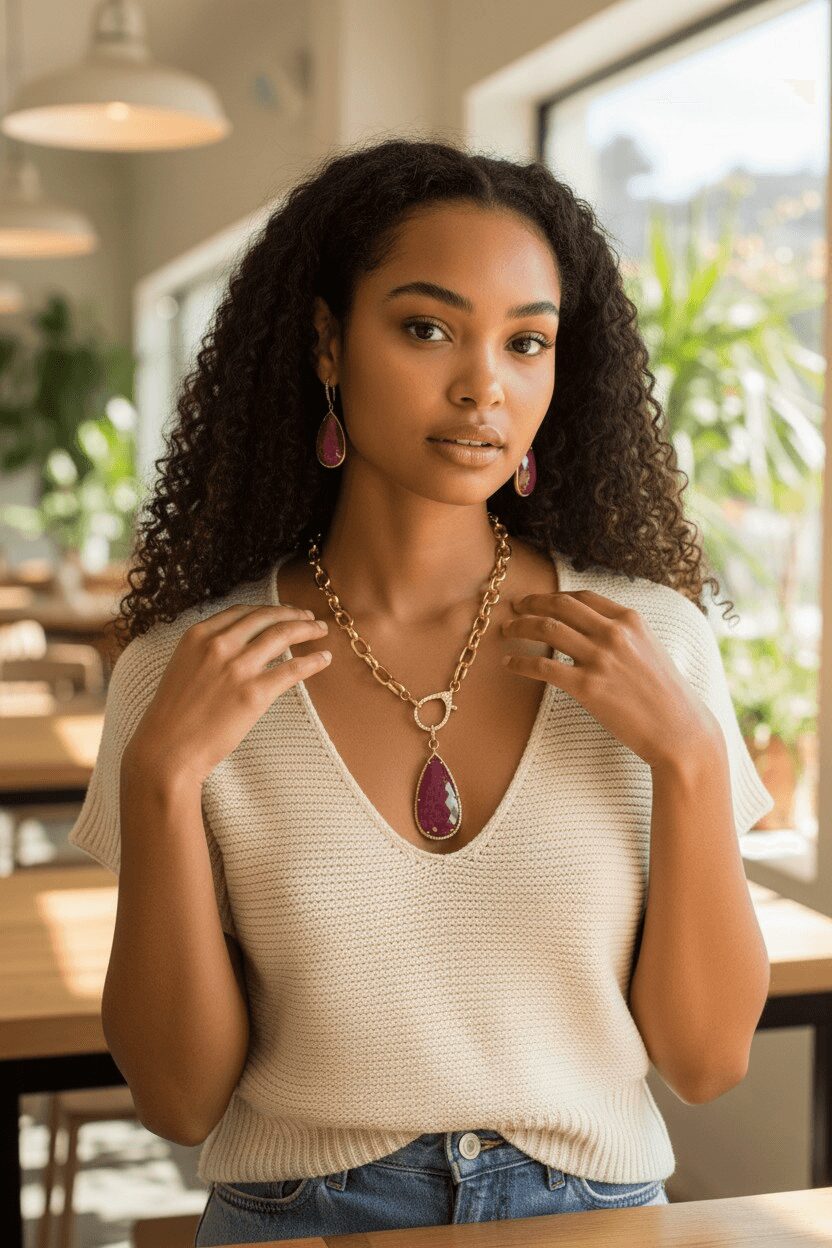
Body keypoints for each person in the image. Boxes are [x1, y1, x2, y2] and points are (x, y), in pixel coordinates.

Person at [68, 137, 774, 1245]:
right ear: (326, 343)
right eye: (426, 327)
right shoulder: (185, 669)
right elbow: (176, 1099)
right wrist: (161, 779)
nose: (482, 385)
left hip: (595, 1216)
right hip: (296, 1219)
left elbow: (705, 1061)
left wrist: (685, 763)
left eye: (526, 341)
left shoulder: (654, 645)